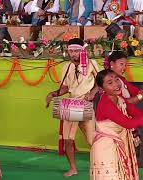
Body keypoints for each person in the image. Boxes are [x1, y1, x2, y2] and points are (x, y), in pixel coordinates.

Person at [46, 38, 99, 177]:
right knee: (68, 140)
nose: (73, 54)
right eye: (71, 51)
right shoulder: (66, 67)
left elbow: (101, 81)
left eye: (76, 51)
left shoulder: (91, 63)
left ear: (83, 51)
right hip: (71, 105)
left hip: (86, 104)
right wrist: (52, 94)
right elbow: (65, 88)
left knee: (91, 140)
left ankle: (100, 165)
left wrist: (93, 92)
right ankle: (73, 168)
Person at [90, 69, 143, 180]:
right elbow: (128, 123)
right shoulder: (105, 104)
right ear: (101, 89)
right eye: (110, 83)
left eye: (117, 80)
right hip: (106, 149)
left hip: (118, 145)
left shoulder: (120, 99)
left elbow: (137, 114)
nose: (116, 84)